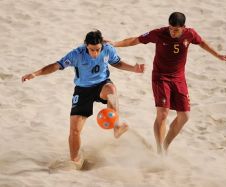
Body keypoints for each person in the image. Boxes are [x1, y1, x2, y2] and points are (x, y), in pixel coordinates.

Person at [111, 12, 226, 154]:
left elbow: (202, 43)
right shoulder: (159, 33)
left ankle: (165, 145)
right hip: (161, 77)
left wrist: (218, 55)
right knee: (163, 114)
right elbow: (136, 40)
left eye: (176, 30)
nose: (173, 32)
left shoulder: (190, 34)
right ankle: (160, 151)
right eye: (171, 29)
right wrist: (115, 43)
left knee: (185, 116)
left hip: (179, 78)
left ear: (183, 28)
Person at [21, 30, 145, 162]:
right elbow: (56, 66)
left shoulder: (108, 49)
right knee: (75, 130)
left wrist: (134, 68)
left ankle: (117, 127)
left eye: (98, 49)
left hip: (101, 85)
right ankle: (74, 160)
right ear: (86, 45)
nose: (95, 53)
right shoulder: (76, 54)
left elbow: (117, 63)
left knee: (111, 89)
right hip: (83, 90)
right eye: (92, 50)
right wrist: (35, 73)